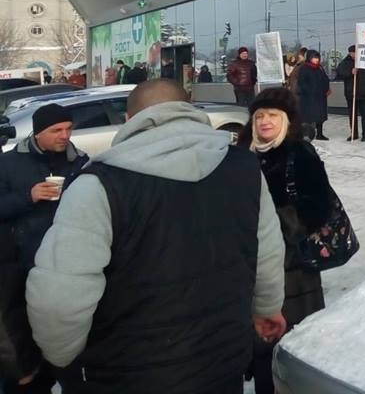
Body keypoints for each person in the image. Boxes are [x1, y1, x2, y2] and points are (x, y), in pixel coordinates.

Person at [26, 79, 286, 394]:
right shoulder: (244, 167)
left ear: (129, 120)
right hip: (222, 361)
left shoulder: (98, 185)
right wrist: (268, 309)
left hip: (127, 374)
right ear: (189, 112)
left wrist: (64, 358)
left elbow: (58, 300)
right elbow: (268, 253)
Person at [237, 88, 332, 394]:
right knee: (259, 347)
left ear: (286, 120)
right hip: (247, 264)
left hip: (293, 269)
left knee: (291, 345)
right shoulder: (240, 153)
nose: (265, 121)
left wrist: (274, 225)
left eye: (273, 116)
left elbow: (319, 206)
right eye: (260, 115)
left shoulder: (299, 153)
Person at [0, 104, 89, 393]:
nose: (65, 135)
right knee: (23, 320)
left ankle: (64, 370)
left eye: (68, 128)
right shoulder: (9, 163)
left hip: (66, 257)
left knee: (61, 319)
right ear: (38, 133)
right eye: (56, 130)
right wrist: (29, 196)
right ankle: (29, 373)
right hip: (21, 257)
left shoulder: (80, 162)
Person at [336, 46, 365, 142]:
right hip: (350, 93)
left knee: (364, 115)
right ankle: (354, 134)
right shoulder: (345, 62)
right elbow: (339, 73)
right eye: (351, 53)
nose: (353, 55)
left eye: (354, 53)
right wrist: (350, 72)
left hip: (363, 93)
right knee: (352, 115)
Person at [297, 50, 330, 141]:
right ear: (309, 58)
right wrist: (309, 91)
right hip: (309, 97)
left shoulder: (320, 68)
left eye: (317, 58)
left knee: (320, 116)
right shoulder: (304, 68)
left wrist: (326, 89)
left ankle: (320, 134)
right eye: (314, 58)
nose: (316, 60)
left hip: (320, 96)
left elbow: (325, 79)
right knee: (308, 117)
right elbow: (302, 83)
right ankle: (307, 134)